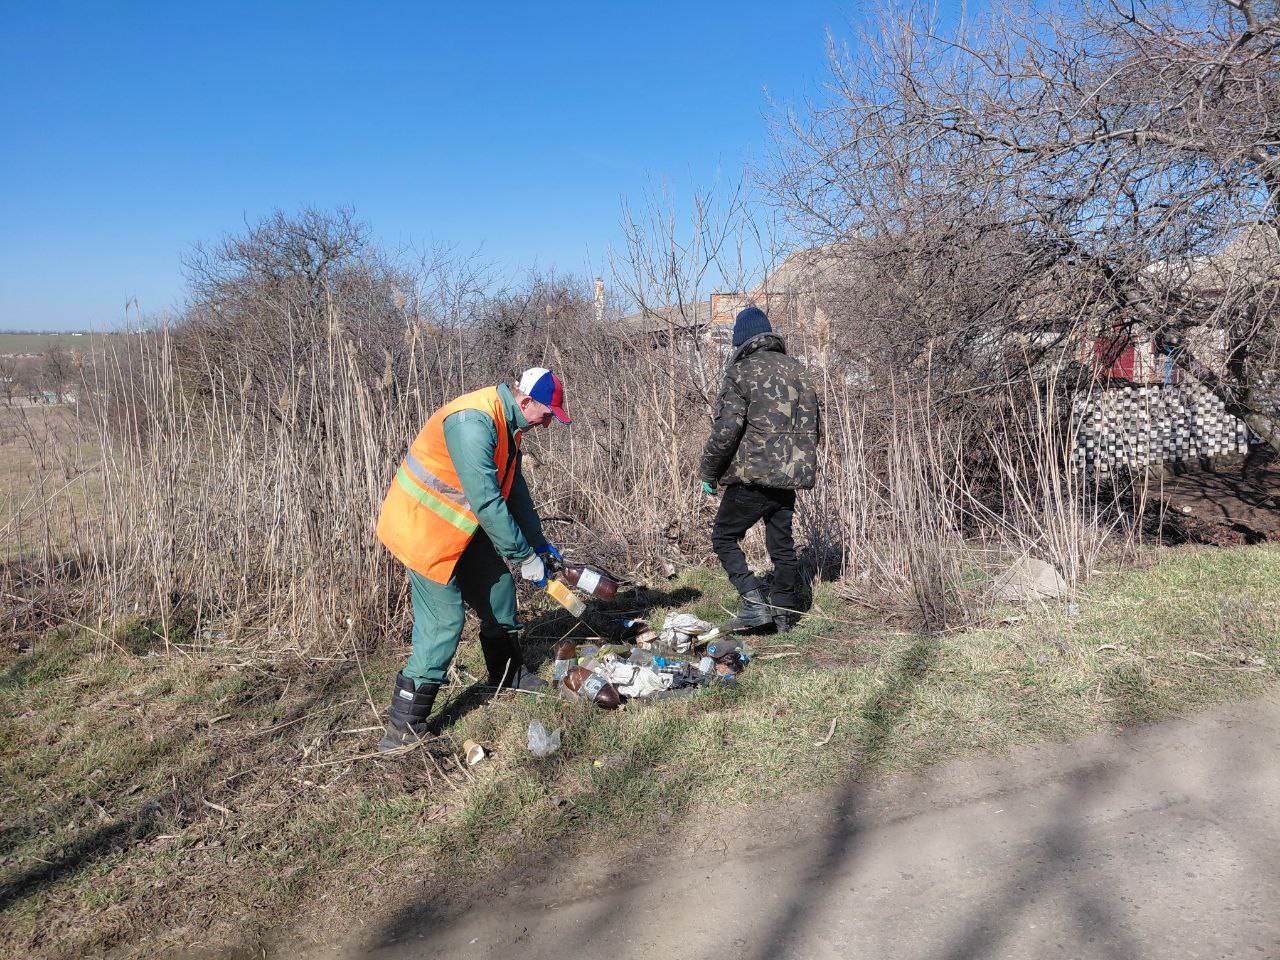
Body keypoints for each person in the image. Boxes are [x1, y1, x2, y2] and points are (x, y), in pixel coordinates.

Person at [375, 367, 571, 751]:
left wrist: (539, 544)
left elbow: (514, 492)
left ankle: (507, 674)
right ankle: (402, 729)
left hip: (459, 526)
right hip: (423, 529)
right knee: (444, 622)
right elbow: (486, 501)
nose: (548, 424)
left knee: (498, 590)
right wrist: (522, 555)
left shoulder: (507, 424)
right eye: (547, 414)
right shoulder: (473, 423)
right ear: (526, 401)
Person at [699, 306, 821, 633]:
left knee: (724, 537)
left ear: (741, 340)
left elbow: (726, 432)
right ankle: (783, 613)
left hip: (753, 477)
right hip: (790, 477)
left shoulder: (741, 372)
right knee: (781, 544)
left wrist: (709, 473)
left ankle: (755, 604)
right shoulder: (799, 371)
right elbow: (815, 428)